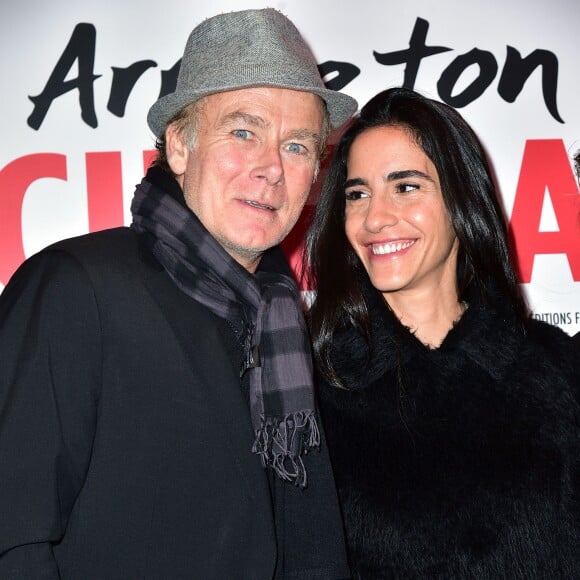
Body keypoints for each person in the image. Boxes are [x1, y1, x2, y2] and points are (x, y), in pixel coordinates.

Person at [0, 8, 357, 579]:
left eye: (297, 146)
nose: (271, 168)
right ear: (180, 146)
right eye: (244, 131)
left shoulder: (281, 319)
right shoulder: (76, 287)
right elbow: (11, 538)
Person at [306, 86, 580, 578]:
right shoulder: (310, 389)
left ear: (460, 198)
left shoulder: (557, 372)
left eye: (405, 186)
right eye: (357, 193)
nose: (374, 217)